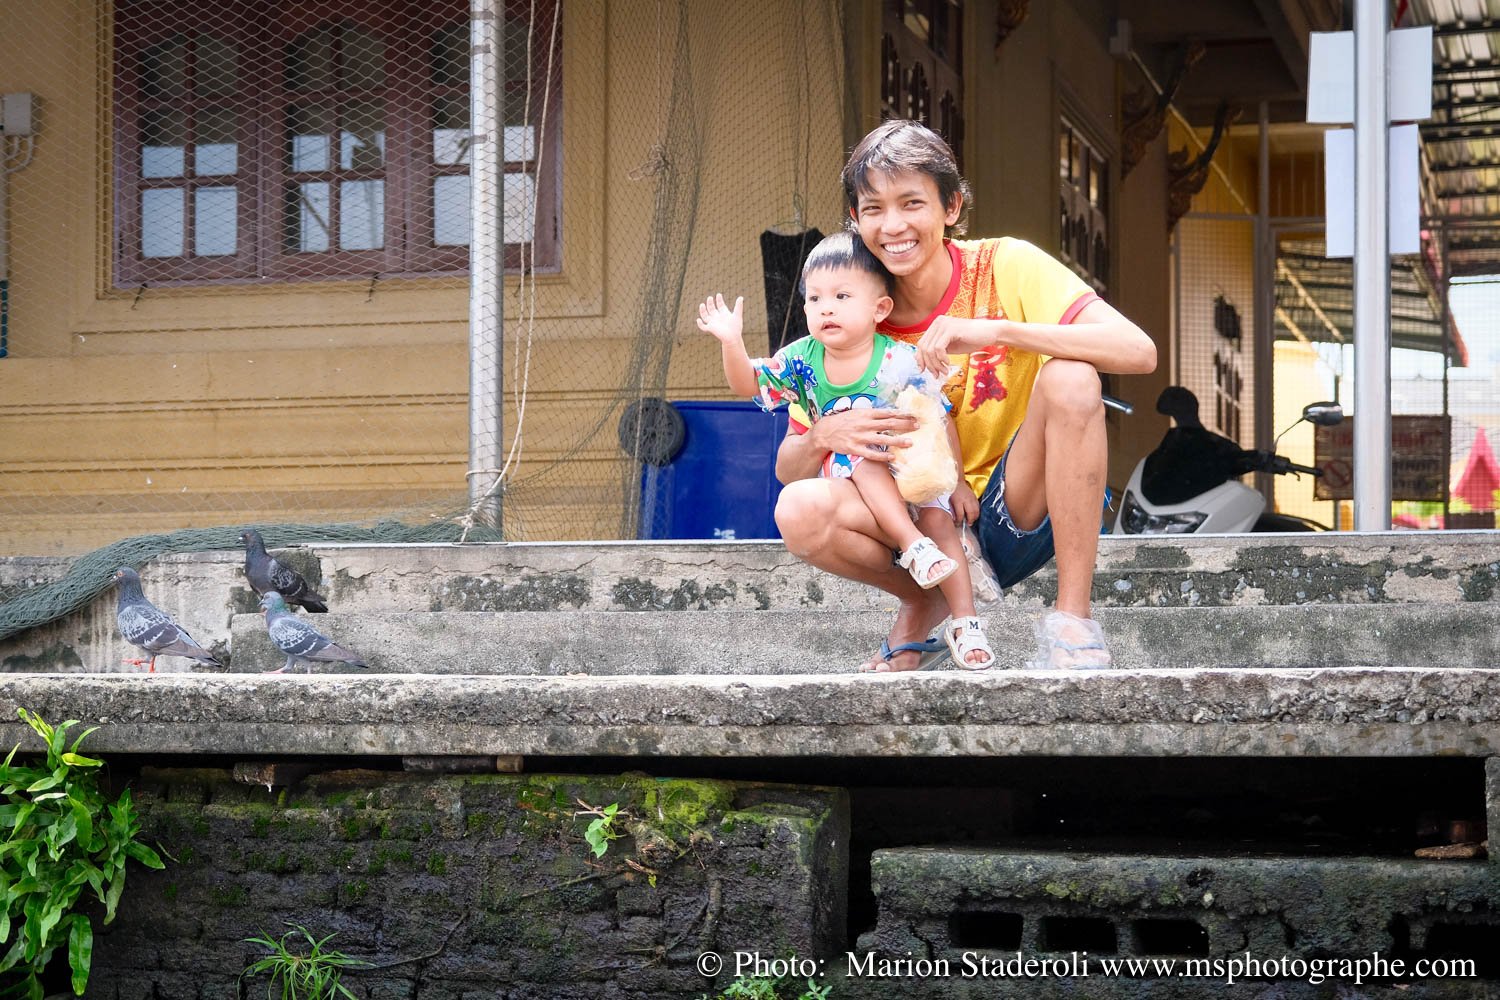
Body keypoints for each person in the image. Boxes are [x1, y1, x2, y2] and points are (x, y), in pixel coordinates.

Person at [774, 119, 1157, 671]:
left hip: (1013, 505)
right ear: (856, 219)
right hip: (915, 526)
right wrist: (823, 436)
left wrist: (996, 330)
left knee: (1072, 378)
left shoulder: (1005, 265)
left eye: (912, 203)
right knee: (799, 509)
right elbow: (790, 471)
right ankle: (926, 600)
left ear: (951, 206)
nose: (893, 225)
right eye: (874, 208)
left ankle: (1073, 622)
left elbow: (1138, 351)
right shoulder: (848, 312)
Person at [695, 230, 996, 670]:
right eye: (815, 298)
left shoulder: (900, 360)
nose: (826, 308)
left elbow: (939, 417)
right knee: (861, 452)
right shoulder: (802, 361)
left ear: (880, 309)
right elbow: (748, 384)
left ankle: (966, 624)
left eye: (841, 296)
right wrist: (731, 343)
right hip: (856, 492)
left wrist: (961, 484)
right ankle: (912, 547)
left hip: (911, 478)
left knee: (940, 523)